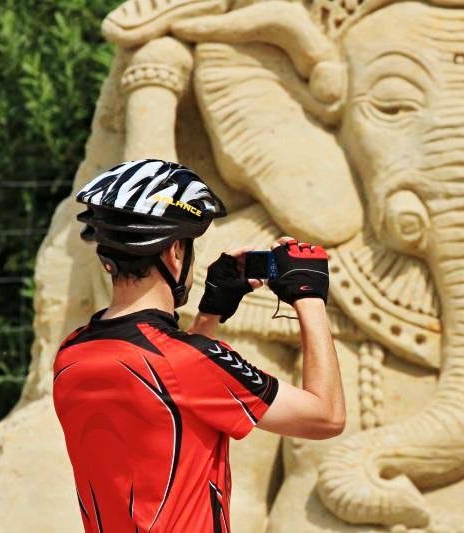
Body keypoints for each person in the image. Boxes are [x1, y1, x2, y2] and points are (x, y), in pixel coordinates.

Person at [52, 159, 345, 533]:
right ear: (175, 252)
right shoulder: (186, 361)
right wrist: (309, 297)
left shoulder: (73, 352)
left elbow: (173, 402)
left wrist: (211, 312)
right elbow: (327, 417)